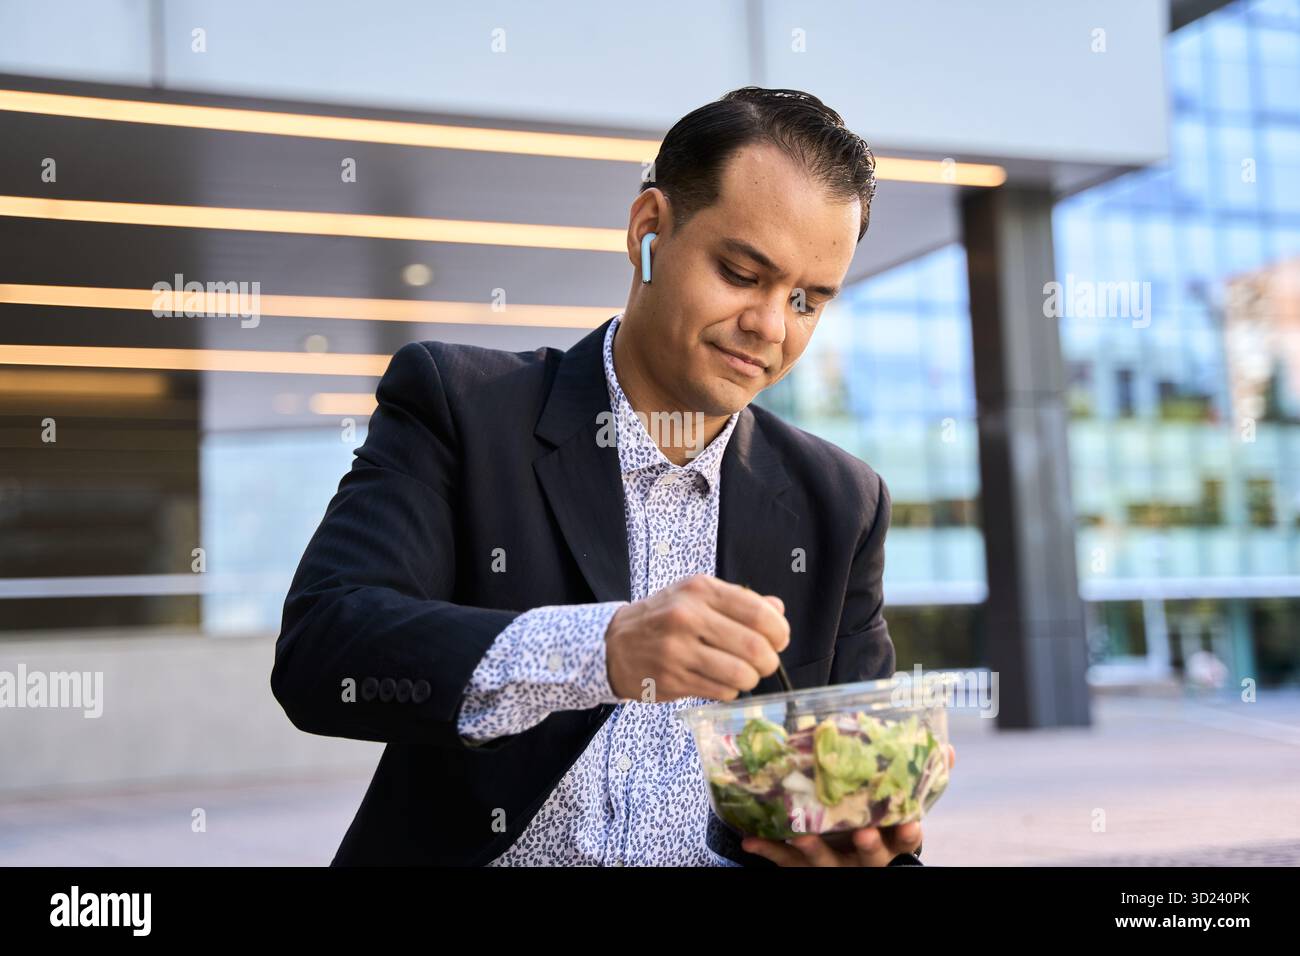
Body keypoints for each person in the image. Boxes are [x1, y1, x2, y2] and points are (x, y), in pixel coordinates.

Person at [272, 86, 952, 866]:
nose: (771, 325)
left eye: (806, 300)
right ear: (649, 231)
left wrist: (863, 850)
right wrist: (603, 648)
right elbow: (325, 653)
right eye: (740, 272)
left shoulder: (842, 502)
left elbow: (855, 814)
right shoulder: (461, 407)